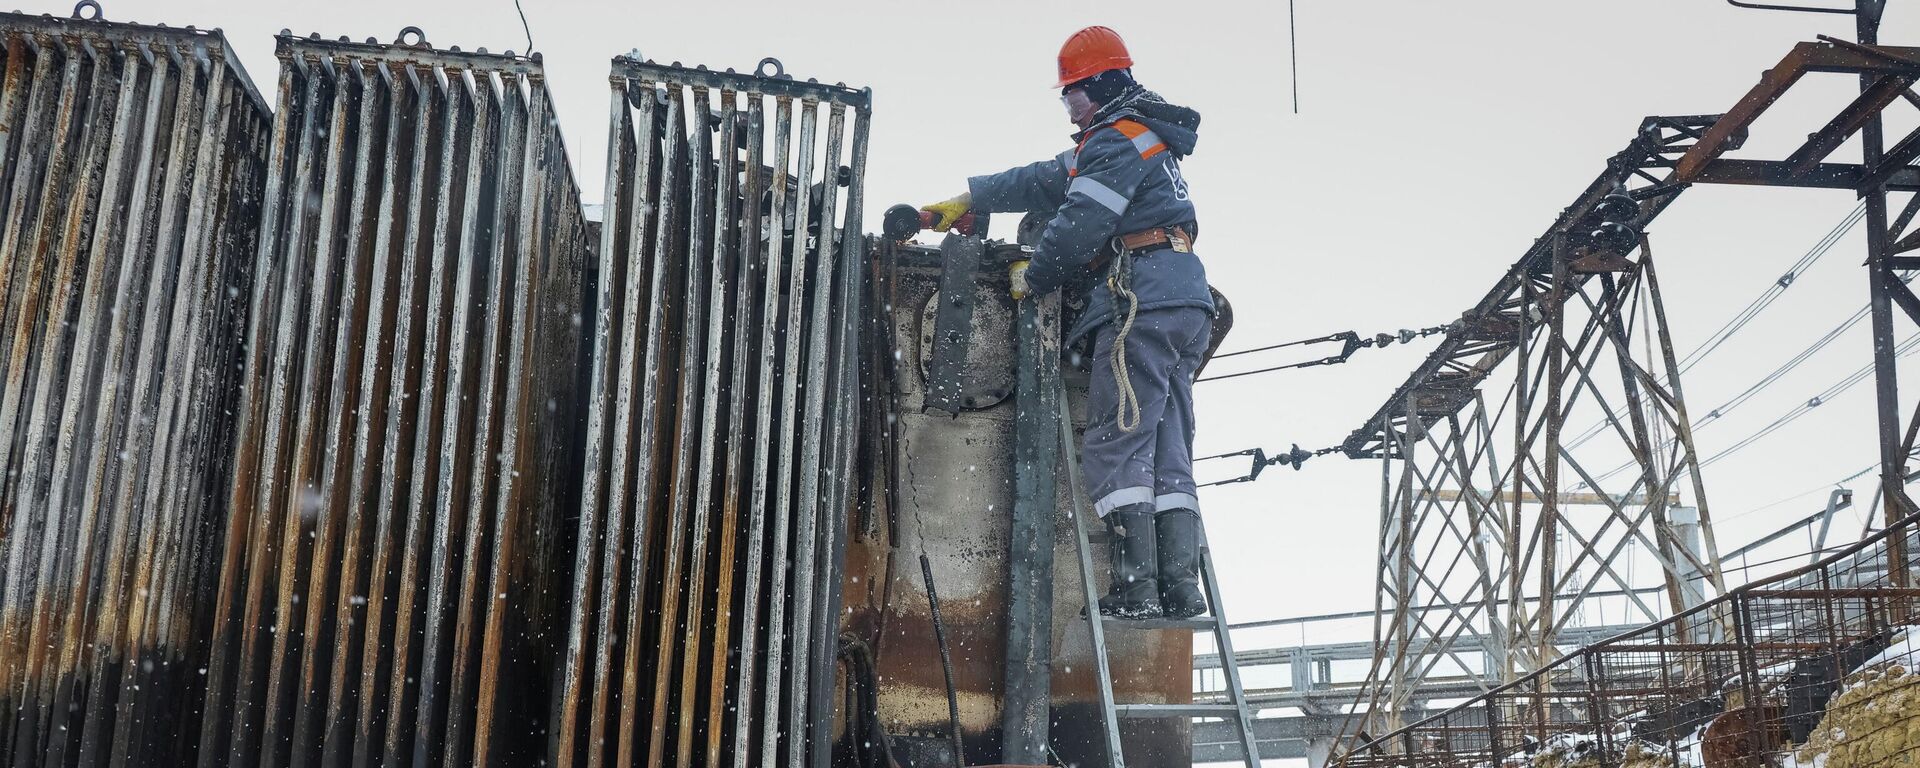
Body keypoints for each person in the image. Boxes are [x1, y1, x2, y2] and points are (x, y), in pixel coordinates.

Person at [921, 25, 1213, 620]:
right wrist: (971, 198)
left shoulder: (1113, 144)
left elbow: (1079, 223)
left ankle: (1135, 592)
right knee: (1166, 445)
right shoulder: (1140, 138)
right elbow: (1043, 180)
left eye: (1069, 92)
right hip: (1187, 299)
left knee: (1116, 439)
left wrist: (1038, 275)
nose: (1065, 104)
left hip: (1143, 301)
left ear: (1098, 87)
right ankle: (1182, 590)